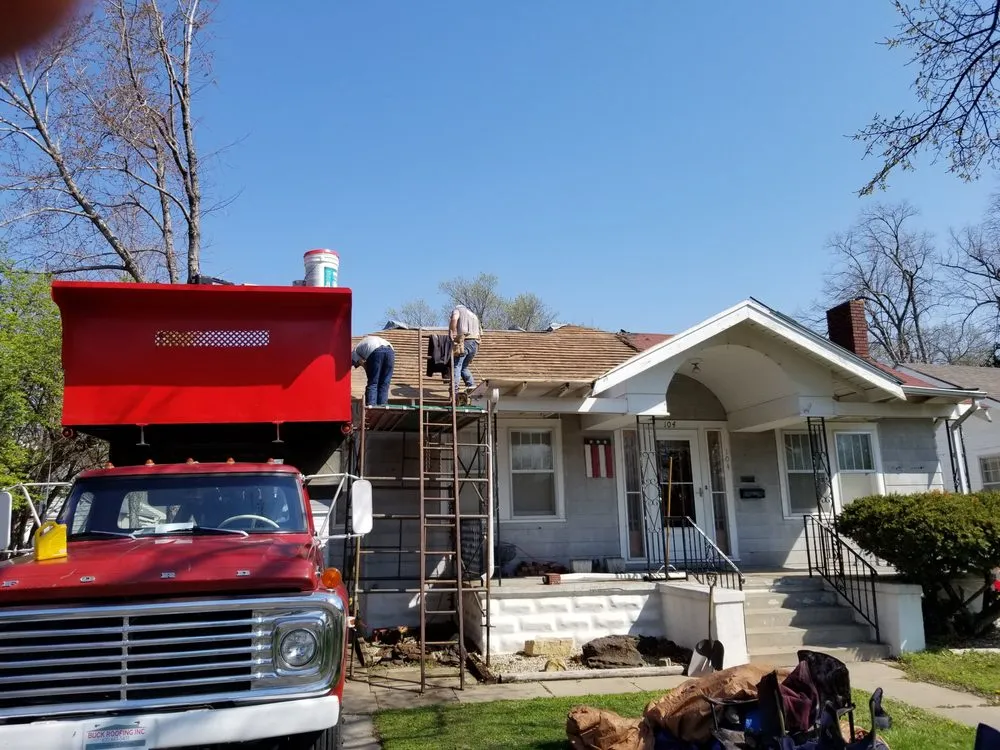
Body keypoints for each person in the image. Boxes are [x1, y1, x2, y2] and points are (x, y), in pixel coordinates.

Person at [352, 335, 395, 406]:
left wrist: (369, 371)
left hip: (375, 351)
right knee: (385, 382)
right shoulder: (365, 344)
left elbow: (361, 362)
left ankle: (371, 406)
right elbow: (363, 364)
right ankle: (382, 406)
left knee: (373, 383)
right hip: (390, 351)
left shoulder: (354, 352)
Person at [448, 304, 481, 395]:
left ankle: (454, 390)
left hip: (465, 341)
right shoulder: (473, 315)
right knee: (464, 367)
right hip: (476, 343)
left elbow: (454, 319)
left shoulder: (458, 310)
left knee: (456, 365)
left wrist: (451, 333)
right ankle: (471, 386)